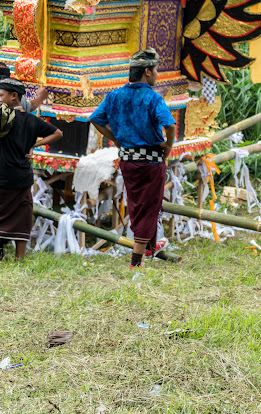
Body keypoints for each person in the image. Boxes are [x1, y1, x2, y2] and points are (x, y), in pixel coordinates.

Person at [89, 48, 176, 267]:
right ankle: (136, 260)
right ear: (147, 71)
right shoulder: (153, 98)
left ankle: (148, 249)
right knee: (150, 207)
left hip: (128, 161)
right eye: (156, 70)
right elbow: (171, 125)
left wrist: (116, 139)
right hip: (151, 162)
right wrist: (168, 147)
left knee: (137, 205)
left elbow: (95, 119)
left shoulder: (115, 95)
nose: (157, 74)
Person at [0, 78, 63, 260]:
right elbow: (58, 132)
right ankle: (20, 257)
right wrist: (36, 145)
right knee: (22, 216)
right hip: (20, 178)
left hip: (2, 175)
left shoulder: (2, 118)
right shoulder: (31, 120)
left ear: (14, 96)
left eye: (1, 95)